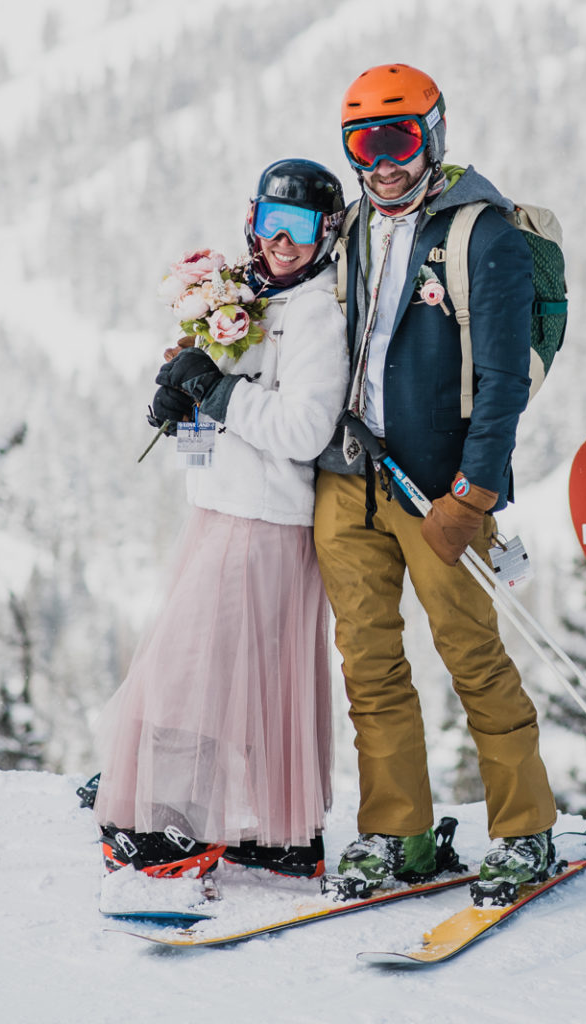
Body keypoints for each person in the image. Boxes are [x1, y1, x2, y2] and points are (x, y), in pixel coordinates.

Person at [313, 63, 557, 904]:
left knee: (472, 658)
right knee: (369, 666)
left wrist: (475, 493)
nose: (382, 161)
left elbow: (502, 382)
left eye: (398, 138)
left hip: (439, 490)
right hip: (349, 481)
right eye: (364, 143)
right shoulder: (347, 230)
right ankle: (398, 833)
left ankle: (525, 832)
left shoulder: (480, 234)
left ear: (433, 134)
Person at [93, 159, 350, 879]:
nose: (285, 242)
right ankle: (273, 830)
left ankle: (171, 817)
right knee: (244, 679)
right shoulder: (247, 297)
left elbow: (304, 429)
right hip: (220, 510)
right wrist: (184, 413)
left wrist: (218, 391)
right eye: (273, 224)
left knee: (190, 671)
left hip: (262, 522)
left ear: (328, 233)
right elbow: (222, 413)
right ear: (252, 221)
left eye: (302, 228)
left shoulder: (316, 315)